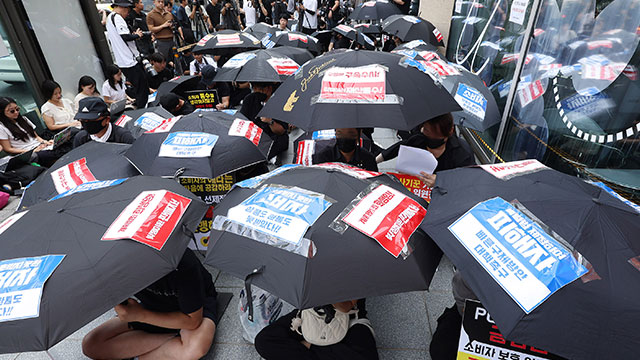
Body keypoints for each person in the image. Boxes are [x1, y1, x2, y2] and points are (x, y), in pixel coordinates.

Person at [82, 249, 218, 360]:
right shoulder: (114, 268)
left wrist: (140, 315)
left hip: (195, 309)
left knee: (194, 349)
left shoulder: (180, 262)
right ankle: (173, 341)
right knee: (91, 344)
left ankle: (143, 356)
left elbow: (193, 321)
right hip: (152, 308)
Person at [254, 299, 378, 359]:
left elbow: (346, 307)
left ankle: (309, 349)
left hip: (349, 317)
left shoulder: (356, 260)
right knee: (264, 341)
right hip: (313, 313)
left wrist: (309, 346)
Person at [376, 113, 475, 187]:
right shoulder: (419, 140)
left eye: (429, 130)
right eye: (424, 128)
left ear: (449, 132)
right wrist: (376, 160)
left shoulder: (462, 154)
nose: (423, 131)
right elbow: (400, 147)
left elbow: (468, 181)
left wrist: (440, 181)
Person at [106, 0, 150, 109]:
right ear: (122, 7)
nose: (128, 13)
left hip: (123, 60)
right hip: (129, 60)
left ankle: (140, 107)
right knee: (142, 88)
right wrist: (137, 35)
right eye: (127, 10)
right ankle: (142, 110)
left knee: (139, 87)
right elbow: (125, 36)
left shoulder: (109, 18)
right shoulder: (117, 17)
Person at [0, 97, 61, 167]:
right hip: (27, 151)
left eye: (17, 109)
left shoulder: (23, 119)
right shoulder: (2, 127)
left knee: (59, 146)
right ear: (2, 112)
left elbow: (36, 136)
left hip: (39, 146)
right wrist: (29, 152)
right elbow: (8, 149)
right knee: (48, 155)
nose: (16, 112)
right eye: (12, 111)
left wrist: (45, 142)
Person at [240, 82, 288, 159]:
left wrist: (270, 121)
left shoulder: (279, 102)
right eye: (254, 88)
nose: (257, 92)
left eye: (260, 89)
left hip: (272, 137)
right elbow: (242, 120)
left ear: (269, 89)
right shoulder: (249, 99)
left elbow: (281, 131)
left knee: (281, 141)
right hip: (254, 134)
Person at [313, 128, 378, 171]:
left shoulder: (368, 158)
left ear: (359, 134)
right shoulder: (323, 157)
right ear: (335, 133)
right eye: (340, 134)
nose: (345, 138)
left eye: (350, 134)